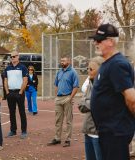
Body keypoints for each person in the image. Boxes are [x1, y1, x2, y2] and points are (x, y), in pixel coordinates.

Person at [89, 23, 135, 160]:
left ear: (110, 41)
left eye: (99, 40)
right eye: (95, 40)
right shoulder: (107, 63)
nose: (95, 43)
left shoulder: (117, 64)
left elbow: (131, 99)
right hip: (108, 132)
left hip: (116, 132)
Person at [47, 55, 79, 147]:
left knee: (68, 120)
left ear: (69, 61)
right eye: (61, 60)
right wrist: (56, 96)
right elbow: (56, 85)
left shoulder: (73, 72)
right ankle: (57, 138)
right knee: (58, 120)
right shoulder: (59, 72)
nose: (62, 62)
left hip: (67, 98)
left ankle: (68, 139)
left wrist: (71, 97)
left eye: (64, 61)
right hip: (59, 98)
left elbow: (76, 87)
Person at [78, 57, 103, 160]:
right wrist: (90, 102)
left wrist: (88, 102)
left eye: (91, 69)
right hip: (87, 130)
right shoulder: (90, 83)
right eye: (88, 68)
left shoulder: (105, 84)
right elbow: (81, 105)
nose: (88, 71)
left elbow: (99, 104)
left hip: (98, 133)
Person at [4, 51, 28, 139]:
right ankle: (13, 130)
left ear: (18, 57)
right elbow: (5, 80)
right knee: (11, 112)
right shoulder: (7, 68)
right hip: (10, 93)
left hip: (19, 92)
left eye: (14, 56)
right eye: (11, 57)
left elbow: (25, 80)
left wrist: (21, 92)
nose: (13, 58)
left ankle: (24, 131)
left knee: (22, 112)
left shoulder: (23, 67)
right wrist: (7, 92)